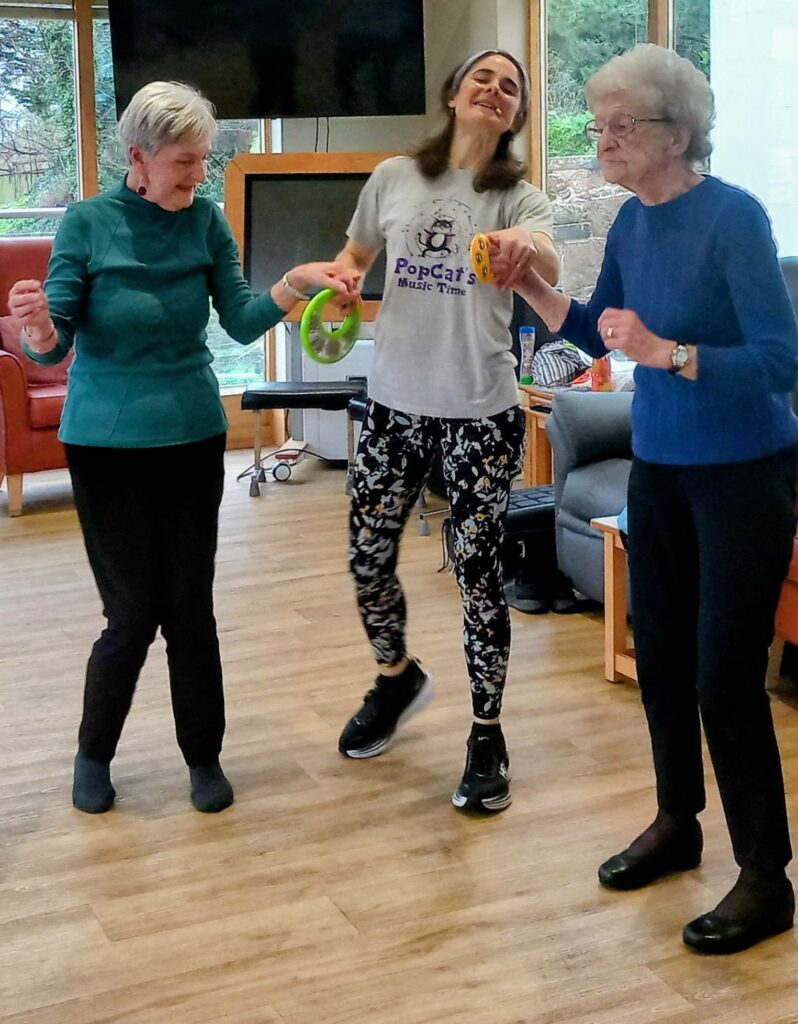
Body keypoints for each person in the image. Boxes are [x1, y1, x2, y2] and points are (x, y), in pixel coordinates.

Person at [501, 44, 798, 953]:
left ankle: (766, 878)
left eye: (619, 125)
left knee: (721, 677)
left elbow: (781, 362)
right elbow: (600, 328)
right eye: (599, 124)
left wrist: (671, 354)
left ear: (674, 134)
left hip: (745, 474)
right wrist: (533, 286)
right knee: (660, 658)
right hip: (661, 470)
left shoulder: (733, 219)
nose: (604, 139)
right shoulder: (632, 223)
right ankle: (679, 822)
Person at [8, 81, 358, 816]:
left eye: (202, 160)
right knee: (132, 614)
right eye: (184, 161)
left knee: (191, 609)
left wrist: (295, 282)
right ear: (138, 156)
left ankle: (204, 757)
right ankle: (92, 753)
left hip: (194, 437)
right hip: (105, 446)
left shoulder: (205, 223)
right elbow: (55, 339)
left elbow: (238, 320)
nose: (198, 175)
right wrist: (38, 327)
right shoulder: (88, 223)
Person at [333, 50, 559, 813]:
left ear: (516, 114)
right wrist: (334, 287)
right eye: (483, 78)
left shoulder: (520, 198)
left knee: (475, 574)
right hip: (393, 404)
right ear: (455, 94)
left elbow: (548, 260)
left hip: (481, 411)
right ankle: (397, 681)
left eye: (511, 86)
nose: (495, 89)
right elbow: (355, 257)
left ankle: (487, 733)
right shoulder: (396, 177)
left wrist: (527, 251)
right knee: (367, 560)